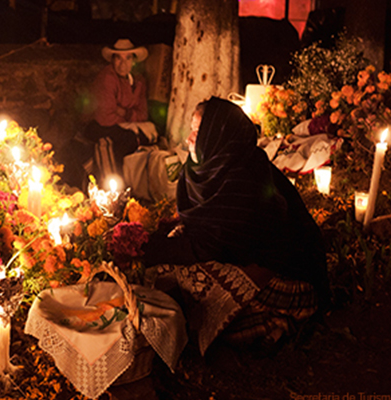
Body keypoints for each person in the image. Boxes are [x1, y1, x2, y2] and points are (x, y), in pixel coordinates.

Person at [141, 97, 330, 353]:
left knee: (191, 292)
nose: (189, 139)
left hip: (286, 276)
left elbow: (209, 246)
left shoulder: (245, 176)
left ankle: (278, 318)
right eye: (191, 130)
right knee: (174, 278)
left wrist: (146, 248)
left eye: (198, 131)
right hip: (234, 257)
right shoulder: (200, 170)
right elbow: (199, 225)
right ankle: (264, 322)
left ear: (218, 135)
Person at [84, 38, 158, 184]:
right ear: (112, 60)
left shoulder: (138, 81)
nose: (123, 63)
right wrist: (130, 120)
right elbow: (105, 117)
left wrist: (123, 112)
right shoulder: (107, 78)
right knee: (123, 140)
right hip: (98, 125)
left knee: (151, 137)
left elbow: (143, 114)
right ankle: (112, 185)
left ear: (133, 61)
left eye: (128, 58)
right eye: (118, 58)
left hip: (125, 124)